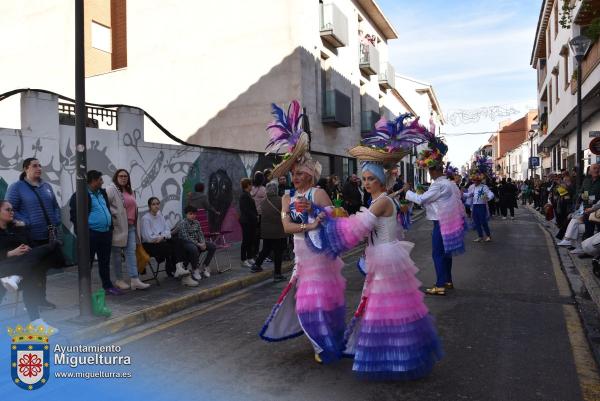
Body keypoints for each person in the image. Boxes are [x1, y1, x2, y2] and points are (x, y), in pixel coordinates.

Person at [259, 100, 346, 364]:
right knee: (304, 304)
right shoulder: (286, 198)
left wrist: (317, 213)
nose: (295, 178)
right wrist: (309, 223)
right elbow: (287, 227)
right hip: (300, 257)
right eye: (293, 174)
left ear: (309, 175)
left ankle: (323, 343)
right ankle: (318, 340)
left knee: (320, 302)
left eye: (299, 174)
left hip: (319, 257)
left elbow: (335, 219)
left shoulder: (317, 193)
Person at [406, 150, 467, 296]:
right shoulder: (451, 184)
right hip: (450, 222)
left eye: (429, 170)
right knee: (446, 254)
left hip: (441, 223)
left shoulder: (438, 185)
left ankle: (440, 285)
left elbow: (421, 200)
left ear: (434, 171)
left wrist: (408, 192)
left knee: (438, 254)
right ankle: (447, 281)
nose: (429, 173)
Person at [6, 157, 61, 309]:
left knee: (42, 270)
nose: (39, 168)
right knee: (32, 271)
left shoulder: (47, 186)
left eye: (40, 165)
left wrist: (56, 220)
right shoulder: (16, 187)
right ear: (26, 169)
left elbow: (55, 206)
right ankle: (31, 302)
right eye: (34, 166)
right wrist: (27, 221)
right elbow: (10, 209)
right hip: (29, 236)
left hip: (48, 235)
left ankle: (41, 300)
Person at [0, 200, 63, 332]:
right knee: (36, 269)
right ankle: (36, 322)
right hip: (4, 268)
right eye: (8, 210)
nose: (12, 212)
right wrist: (11, 253)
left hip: (20, 266)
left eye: (12, 210)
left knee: (36, 267)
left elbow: (30, 245)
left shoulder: (15, 228)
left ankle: (17, 276)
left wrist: (27, 246)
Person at [69, 170, 122, 295]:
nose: (102, 182)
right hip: (91, 235)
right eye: (100, 180)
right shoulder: (80, 195)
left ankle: (107, 286)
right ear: (93, 181)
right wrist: (82, 234)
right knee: (88, 262)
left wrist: (110, 228)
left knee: (105, 261)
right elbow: (74, 216)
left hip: (105, 233)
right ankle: (85, 290)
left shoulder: (102, 192)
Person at [106, 169, 149, 290]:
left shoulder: (130, 190)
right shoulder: (111, 189)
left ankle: (134, 279)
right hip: (117, 227)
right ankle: (119, 279)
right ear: (116, 177)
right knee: (116, 255)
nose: (123, 178)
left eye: (125, 176)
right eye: (121, 176)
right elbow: (105, 205)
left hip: (130, 227)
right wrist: (114, 217)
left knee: (131, 253)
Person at [141, 197, 187, 279]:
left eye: (158, 204)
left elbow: (168, 231)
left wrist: (162, 236)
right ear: (149, 206)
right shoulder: (146, 219)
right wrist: (162, 236)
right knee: (169, 247)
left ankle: (178, 268)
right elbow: (149, 237)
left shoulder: (160, 216)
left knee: (179, 242)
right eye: (153, 204)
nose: (156, 206)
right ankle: (173, 269)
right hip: (149, 245)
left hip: (161, 241)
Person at [250, 182, 286, 281]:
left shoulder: (263, 202)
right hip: (278, 231)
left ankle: (256, 265)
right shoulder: (281, 200)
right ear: (276, 190)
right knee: (278, 253)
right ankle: (277, 274)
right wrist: (284, 218)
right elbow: (284, 214)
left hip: (266, 231)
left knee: (266, 249)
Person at [178, 206, 216, 284]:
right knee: (194, 248)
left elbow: (200, 234)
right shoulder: (183, 223)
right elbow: (186, 237)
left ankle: (205, 266)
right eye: (190, 214)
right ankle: (195, 269)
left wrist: (203, 243)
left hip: (198, 242)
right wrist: (199, 244)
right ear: (186, 214)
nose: (193, 216)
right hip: (186, 243)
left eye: (194, 214)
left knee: (212, 246)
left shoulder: (197, 222)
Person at [465, 173, 494, 242]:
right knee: (476, 222)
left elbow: (491, 194)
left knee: (483, 222)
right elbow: (469, 194)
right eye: (473, 180)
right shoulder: (474, 187)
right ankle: (480, 236)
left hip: (481, 206)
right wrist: (462, 193)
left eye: (475, 180)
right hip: (475, 206)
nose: (474, 182)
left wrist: (488, 197)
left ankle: (488, 235)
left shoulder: (484, 187)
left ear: (479, 181)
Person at [239, 178, 258, 267]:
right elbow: (245, 209)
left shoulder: (248, 194)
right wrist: (255, 216)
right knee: (246, 240)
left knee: (251, 239)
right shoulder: (244, 196)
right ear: (248, 185)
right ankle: (244, 259)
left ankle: (250, 257)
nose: (252, 186)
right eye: (251, 185)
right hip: (246, 221)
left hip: (251, 221)